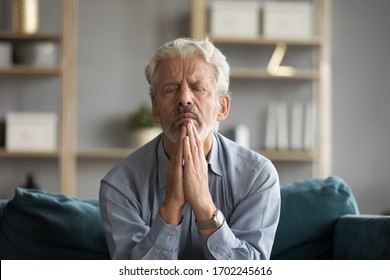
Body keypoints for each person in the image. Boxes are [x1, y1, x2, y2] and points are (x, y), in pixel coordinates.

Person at [99, 37, 281, 260]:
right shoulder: (120, 185)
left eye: (197, 87)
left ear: (222, 107)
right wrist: (172, 206)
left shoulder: (257, 176)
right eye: (171, 89)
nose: (184, 98)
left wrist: (204, 205)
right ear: (155, 109)